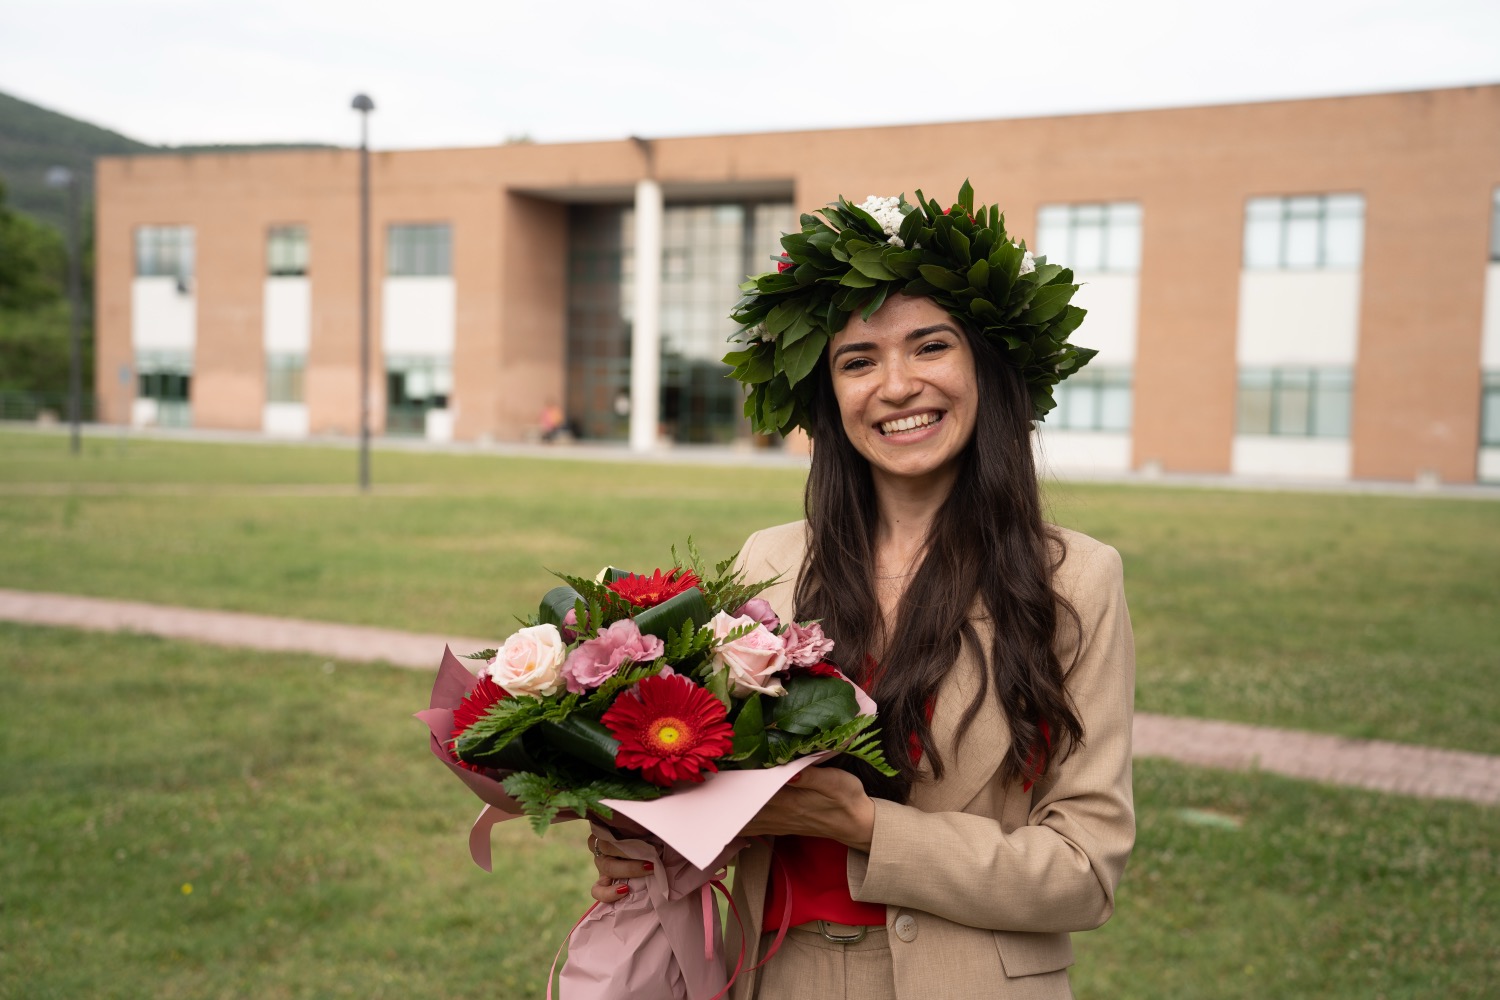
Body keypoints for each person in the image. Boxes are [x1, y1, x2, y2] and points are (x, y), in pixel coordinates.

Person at [587, 186, 1135, 999]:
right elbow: (718, 789)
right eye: (858, 360)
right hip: (776, 977)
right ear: (829, 396)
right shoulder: (767, 561)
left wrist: (866, 827)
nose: (897, 385)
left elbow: (1083, 871)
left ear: (985, 365)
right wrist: (645, 839)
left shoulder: (1076, 580)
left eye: (930, 347)